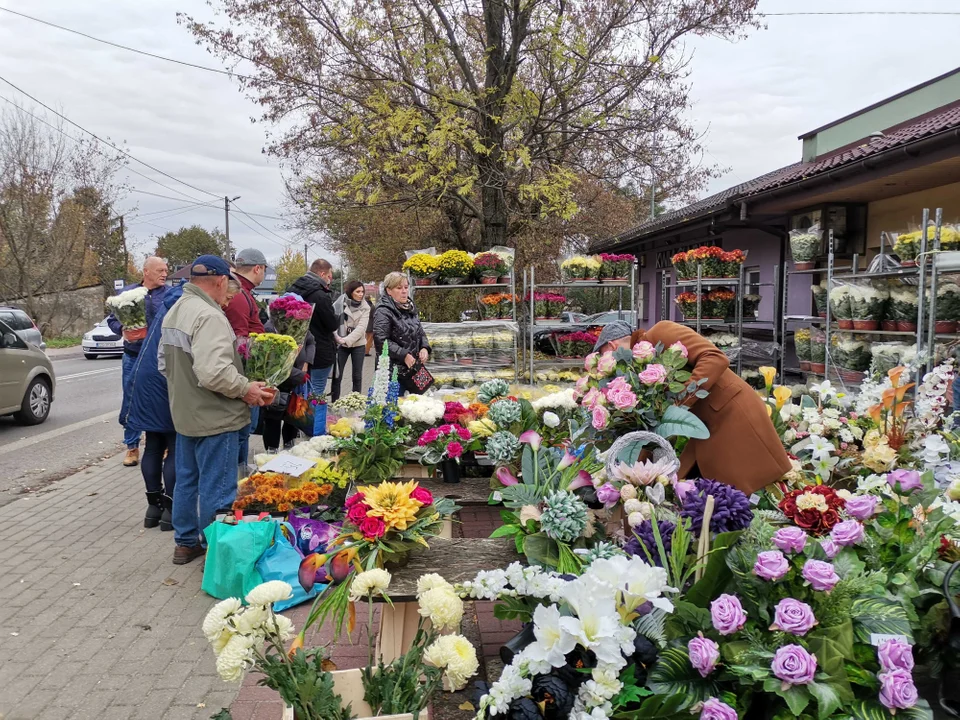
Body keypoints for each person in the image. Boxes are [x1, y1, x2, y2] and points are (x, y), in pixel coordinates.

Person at [160, 255, 276, 565]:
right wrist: (246, 389)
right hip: (217, 418)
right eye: (228, 287)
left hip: (186, 416)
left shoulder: (176, 310)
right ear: (222, 280)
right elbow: (213, 372)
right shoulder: (209, 316)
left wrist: (188, 392)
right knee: (219, 488)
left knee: (187, 481)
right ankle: (217, 553)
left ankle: (185, 543)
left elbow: (164, 365)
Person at [592, 319, 791, 495]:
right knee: (716, 494)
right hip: (708, 424)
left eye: (604, 355)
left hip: (731, 413)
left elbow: (715, 358)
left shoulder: (661, 331)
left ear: (613, 345)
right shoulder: (639, 372)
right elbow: (660, 425)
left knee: (740, 491)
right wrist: (631, 471)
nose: (608, 364)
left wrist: (678, 403)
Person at [124, 285, 183, 531]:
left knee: (153, 446)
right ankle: (170, 510)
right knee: (174, 446)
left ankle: (153, 508)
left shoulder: (163, 308)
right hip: (164, 384)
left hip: (142, 380)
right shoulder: (182, 308)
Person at [108, 256, 169, 467]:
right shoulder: (128, 294)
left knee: (162, 398)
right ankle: (132, 447)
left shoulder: (169, 294)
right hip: (133, 355)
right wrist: (123, 330)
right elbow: (113, 319)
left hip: (159, 358)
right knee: (131, 399)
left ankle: (165, 443)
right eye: (160, 270)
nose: (164, 274)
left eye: (166, 270)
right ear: (146, 272)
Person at [223, 249, 267, 471]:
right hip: (243, 374)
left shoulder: (242, 292)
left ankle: (240, 469)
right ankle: (237, 472)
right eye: (264, 270)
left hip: (245, 374)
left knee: (245, 428)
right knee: (242, 429)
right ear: (257, 268)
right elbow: (240, 340)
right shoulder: (239, 295)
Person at [262, 311, 315, 452]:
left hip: (294, 382)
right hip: (278, 385)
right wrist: (299, 375)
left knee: (292, 418)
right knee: (273, 420)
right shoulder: (270, 329)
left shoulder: (298, 326)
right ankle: (271, 453)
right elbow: (274, 363)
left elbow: (311, 341)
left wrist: (307, 362)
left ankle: (289, 450)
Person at [287, 259, 339, 397]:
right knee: (315, 393)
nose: (330, 279)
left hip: (296, 351)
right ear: (322, 274)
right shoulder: (320, 295)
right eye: (329, 276)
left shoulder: (292, 290)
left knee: (298, 393)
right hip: (320, 351)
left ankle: (297, 417)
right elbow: (332, 324)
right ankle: (314, 419)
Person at [372, 271, 430, 380]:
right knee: (396, 397)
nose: (404, 291)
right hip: (393, 371)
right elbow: (381, 341)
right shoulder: (383, 311)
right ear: (389, 290)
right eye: (399, 288)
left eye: (406, 287)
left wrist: (424, 347)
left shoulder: (410, 307)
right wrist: (404, 355)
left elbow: (420, 332)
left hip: (413, 368)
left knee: (418, 396)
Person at [332, 281, 371, 401]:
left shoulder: (366, 307)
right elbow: (332, 322)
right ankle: (335, 403)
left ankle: (356, 403)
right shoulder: (340, 304)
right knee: (337, 376)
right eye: (357, 291)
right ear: (350, 292)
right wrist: (337, 338)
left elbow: (361, 329)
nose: (361, 294)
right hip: (341, 344)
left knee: (357, 376)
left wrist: (345, 340)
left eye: (362, 291)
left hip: (358, 344)